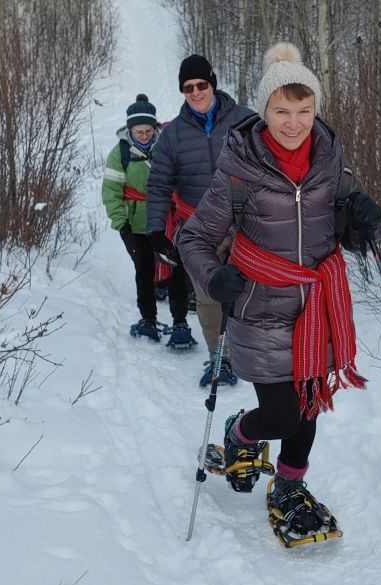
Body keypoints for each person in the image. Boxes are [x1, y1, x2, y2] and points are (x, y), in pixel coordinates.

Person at [176, 43, 381, 544]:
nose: (294, 123)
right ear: (264, 110)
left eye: (304, 111)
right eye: (282, 111)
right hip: (261, 308)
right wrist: (213, 278)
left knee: (307, 410)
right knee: (281, 414)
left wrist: (365, 224)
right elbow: (193, 238)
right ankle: (240, 433)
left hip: (318, 309)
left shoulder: (331, 161)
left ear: (316, 109)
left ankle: (290, 485)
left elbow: (346, 235)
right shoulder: (239, 169)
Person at [146, 54, 254, 383]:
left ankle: (255, 351)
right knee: (208, 297)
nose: (195, 92)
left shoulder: (245, 120)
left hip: (244, 223)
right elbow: (158, 184)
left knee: (252, 291)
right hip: (198, 228)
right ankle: (220, 358)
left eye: (201, 85)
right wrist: (156, 232)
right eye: (188, 87)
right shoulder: (173, 135)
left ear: (213, 84)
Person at [101, 94, 194, 346]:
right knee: (144, 269)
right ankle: (148, 319)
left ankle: (180, 322)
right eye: (138, 132)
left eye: (148, 131)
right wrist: (122, 226)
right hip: (137, 223)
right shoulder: (119, 154)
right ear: (129, 130)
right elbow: (111, 192)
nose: (144, 136)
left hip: (168, 220)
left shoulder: (168, 147)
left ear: (155, 128)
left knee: (175, 268)